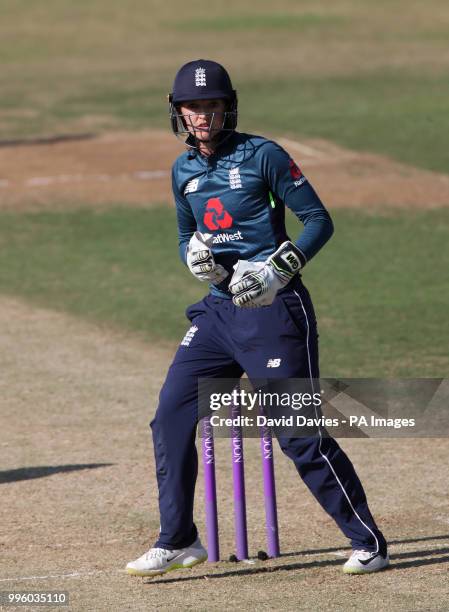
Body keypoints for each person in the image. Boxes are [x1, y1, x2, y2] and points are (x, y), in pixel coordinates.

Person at [126, 59, 389, 577]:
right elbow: (186, 233)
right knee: (172, 415)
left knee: (296, 434)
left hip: (274, 311)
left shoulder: (262, 155)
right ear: (177, 111)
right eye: (193, 106)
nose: (202, 114)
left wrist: (277, 270)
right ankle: (179, 538)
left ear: (228, 106)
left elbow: (318, 220)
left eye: (211, 104)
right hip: (218, 312)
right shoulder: (183, 171)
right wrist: (192, 256)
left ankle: (369, 542)